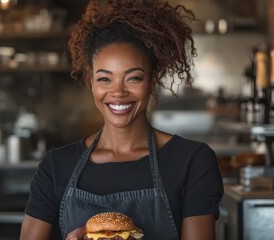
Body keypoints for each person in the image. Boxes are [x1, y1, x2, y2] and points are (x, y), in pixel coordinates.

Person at [20, 0, 224, 239]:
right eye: (105, 79)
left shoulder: (192, 161)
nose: (117, 92)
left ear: (152, 80)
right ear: (91, 82)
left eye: (133, 78)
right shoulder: (56, 166)